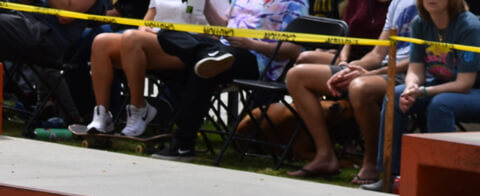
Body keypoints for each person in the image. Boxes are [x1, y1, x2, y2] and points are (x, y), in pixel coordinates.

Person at [149, 0, 309, 159]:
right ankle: (208, 53)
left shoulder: (296, 3)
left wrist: (251, 44)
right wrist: (205, 4)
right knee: (167, 34)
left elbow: (294, 50)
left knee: (204, 69)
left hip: (257, 59)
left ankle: (183, 143)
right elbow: (225, 26)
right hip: (223, 48)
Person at [284, 0, 415, 179]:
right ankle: (325, 156)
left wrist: (370, 72)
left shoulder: (429, 5)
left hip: (408, 74)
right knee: (296, 76)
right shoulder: (397, 4)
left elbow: (421, 58)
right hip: (375, 67)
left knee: (360, 87)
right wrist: (352, 68)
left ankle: (371, 163)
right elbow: (377, 54)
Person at [375, 0, 480, 182]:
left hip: (473, 90)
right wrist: (411, 88)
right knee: (396, 95)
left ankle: (444, 179)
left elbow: (464, 83)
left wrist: (424, 92)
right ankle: (389, 177)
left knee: (440, 104)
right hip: (440, 85)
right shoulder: (420, 23)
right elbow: (415, 70)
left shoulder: (469, 26)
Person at [84, 0, 210, 137]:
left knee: (131, 37)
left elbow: (221, 29)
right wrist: (144, 29)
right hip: (153, 42)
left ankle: (139, 109)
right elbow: (147, 19)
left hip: (187, 48)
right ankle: (103, 115)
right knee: (101, 42)